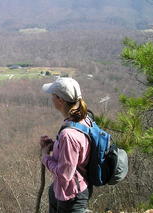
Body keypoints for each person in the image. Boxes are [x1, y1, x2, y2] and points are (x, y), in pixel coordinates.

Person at [40, 77, 92, 213]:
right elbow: (77, 152)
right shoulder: (84, 120)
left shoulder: (68, 134)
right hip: (72, 189)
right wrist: (53, 145)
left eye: (53, 95)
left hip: (71, 196)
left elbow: (65, 175)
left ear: (60, 100)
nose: (51, 98)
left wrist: (45, 157)